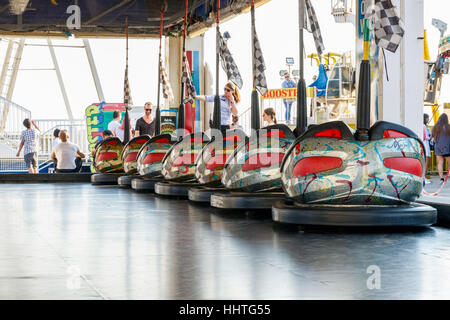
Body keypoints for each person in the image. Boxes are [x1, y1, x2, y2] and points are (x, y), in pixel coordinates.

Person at [431, 113, 450, 183]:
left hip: (438, 147)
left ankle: (441, 179)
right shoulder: (448, 127)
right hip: (447, 147)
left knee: (440, 163)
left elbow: (432, 138)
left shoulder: (435, 127)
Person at [423, 114, 432, 184]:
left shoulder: (425, 126)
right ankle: (424, 177)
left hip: (425, 143)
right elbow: (425, 136)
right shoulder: (423, 126)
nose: (428, 120)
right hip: (425, 143)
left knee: (427, 159)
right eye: (427, 118)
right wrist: (431, 137)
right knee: (427, 159)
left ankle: (424, 177)